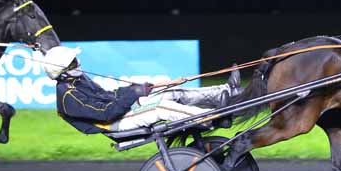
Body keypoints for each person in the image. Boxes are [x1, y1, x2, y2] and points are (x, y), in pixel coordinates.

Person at [43, 46, 241, 134]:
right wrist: (134, 94)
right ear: (64, 70)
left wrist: (139, 89)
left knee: (172, 92)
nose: (79, 62)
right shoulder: (68, 96)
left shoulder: (78, 81)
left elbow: (108, 96)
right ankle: (212, 118)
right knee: (161, 108)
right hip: (114, 124)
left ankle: (227, 90)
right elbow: (106, 113)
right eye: (74, 61)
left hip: (121, 113)